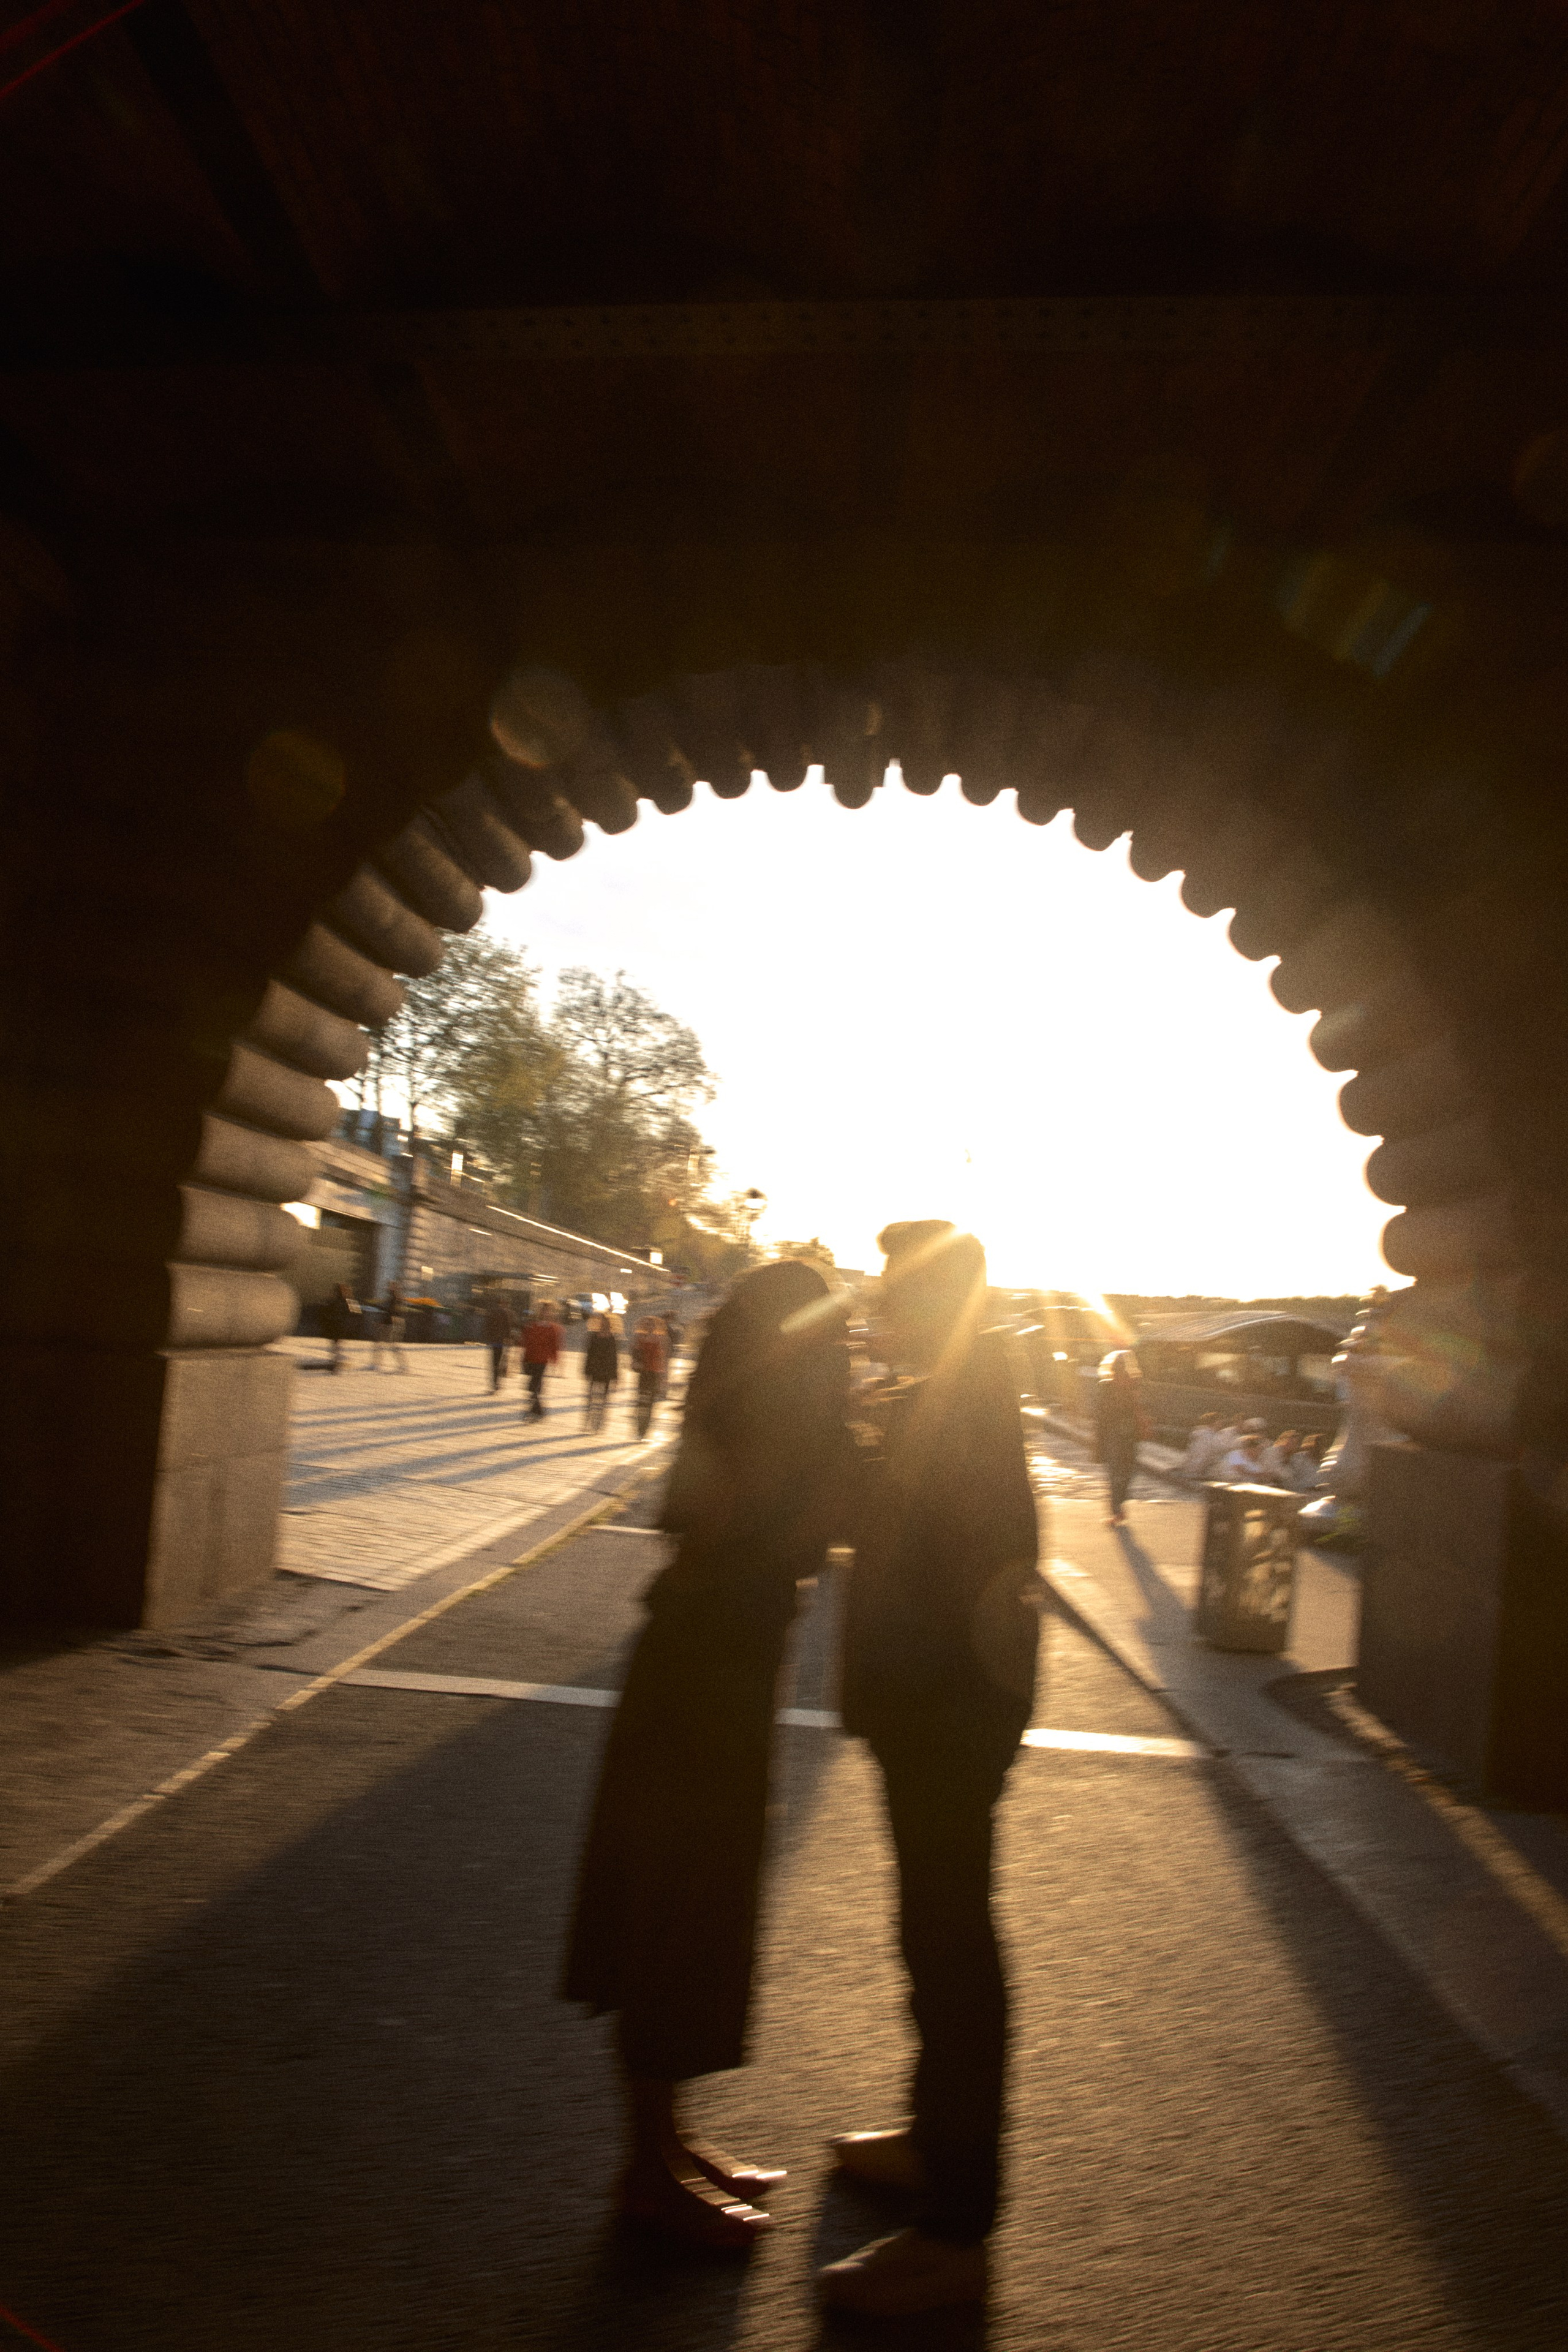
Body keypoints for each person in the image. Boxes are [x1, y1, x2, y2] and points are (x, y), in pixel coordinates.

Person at [560, 1260, 850, 2251]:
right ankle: (648, 2170)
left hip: (701, 1656)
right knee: (682, 1905)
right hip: (712, 1672)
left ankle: (668, 2140)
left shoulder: (732, 1394)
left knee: (678, 1903)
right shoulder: (776, 1413)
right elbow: (791, 1527)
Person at [820, 1220, 1039, 2320]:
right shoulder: (951, 1394)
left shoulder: (960, 1408)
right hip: (939, 1717)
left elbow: (977, 1574)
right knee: (932, 1941)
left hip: (947, 1721)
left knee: (952, 1954)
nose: (873, 1303)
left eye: (889, 1289)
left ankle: (956, 2230)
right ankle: (931, 2140)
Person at [1094, 1348, 1147, 1528]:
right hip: (1122, 1436)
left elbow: (1101, 1415)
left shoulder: (1126, 1385)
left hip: (1119, 1436)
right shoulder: (1119, 1386)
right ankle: (1118, 1510)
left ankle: (1118, 1509)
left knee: (1119, 1475)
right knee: (1123, 1474)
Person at [519, 1302, 560, 1418]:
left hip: (542, 1360)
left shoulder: (552, 1329)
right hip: (531, 1359)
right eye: (543, 1310)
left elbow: (554, 1345)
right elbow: (527, 1342)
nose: (545, 1313)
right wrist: (523, 1358)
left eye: (547, 1311)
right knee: (531, 1386)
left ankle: (536, 1410)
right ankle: (538, 1410)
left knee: (535, 1385)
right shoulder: (532, 1326)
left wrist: (555, 1360)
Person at [632, 1315, 669, 1438]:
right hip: (644, 1373)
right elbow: (635, 1355)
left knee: (650, 1403)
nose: (649, 1327)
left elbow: (662, 1358)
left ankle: (645, 1429)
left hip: (654, 1373)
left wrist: (663, 1377)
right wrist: (635, 1361)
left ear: (655, 1326)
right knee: (641, 1401)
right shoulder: (640, 1338)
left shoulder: (660, 1339)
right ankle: (639, 1427)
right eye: (647, 1324)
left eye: (651, 1324)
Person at [582, 1313, 619, 1432]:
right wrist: (586, 1370)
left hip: (607, 1371)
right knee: (591, 1397)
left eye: (605, 1323)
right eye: (601, 1322)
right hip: (594, 1369)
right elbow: (589, 1354)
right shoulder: (593, 1336)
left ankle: (598, 1422)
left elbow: (614, 1358)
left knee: (603, 1398)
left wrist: (615, 1376)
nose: (603, 1324)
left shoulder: (612, 1338)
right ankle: (587, 1421)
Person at [371, 1278, 408, 1371]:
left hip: (391, 1323)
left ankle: (377, 1364)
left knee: (386, 1344)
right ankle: (402, 1365)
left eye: (391, 1286)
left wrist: (382, 1322)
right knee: (386, 1344)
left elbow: (390, 1312)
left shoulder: (393, 1298)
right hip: (393, 1323)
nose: (389, 1287)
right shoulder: (396, 1298)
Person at [323, 1281, 359, 1373]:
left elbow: (328, 1312)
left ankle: (335, 1363)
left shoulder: (336, 1300)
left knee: (336, 1346)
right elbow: (355, 1313)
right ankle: (335, 1363)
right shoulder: (347, 1300)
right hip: (341, 1326)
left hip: (336, 1326)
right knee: (337, 1346)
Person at [483, 1292, 514, 1392]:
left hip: (494, 1341)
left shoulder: (491, 1312)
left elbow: (487, 1326)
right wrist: (509, 1339)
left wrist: (488, 1338)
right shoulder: (504, 1312)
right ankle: (498, 1382)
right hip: (501, 1341)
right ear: (502, 1303)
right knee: (500, 1362)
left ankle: (494, 1383)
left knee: (494, 1362)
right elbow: (507, 1327)